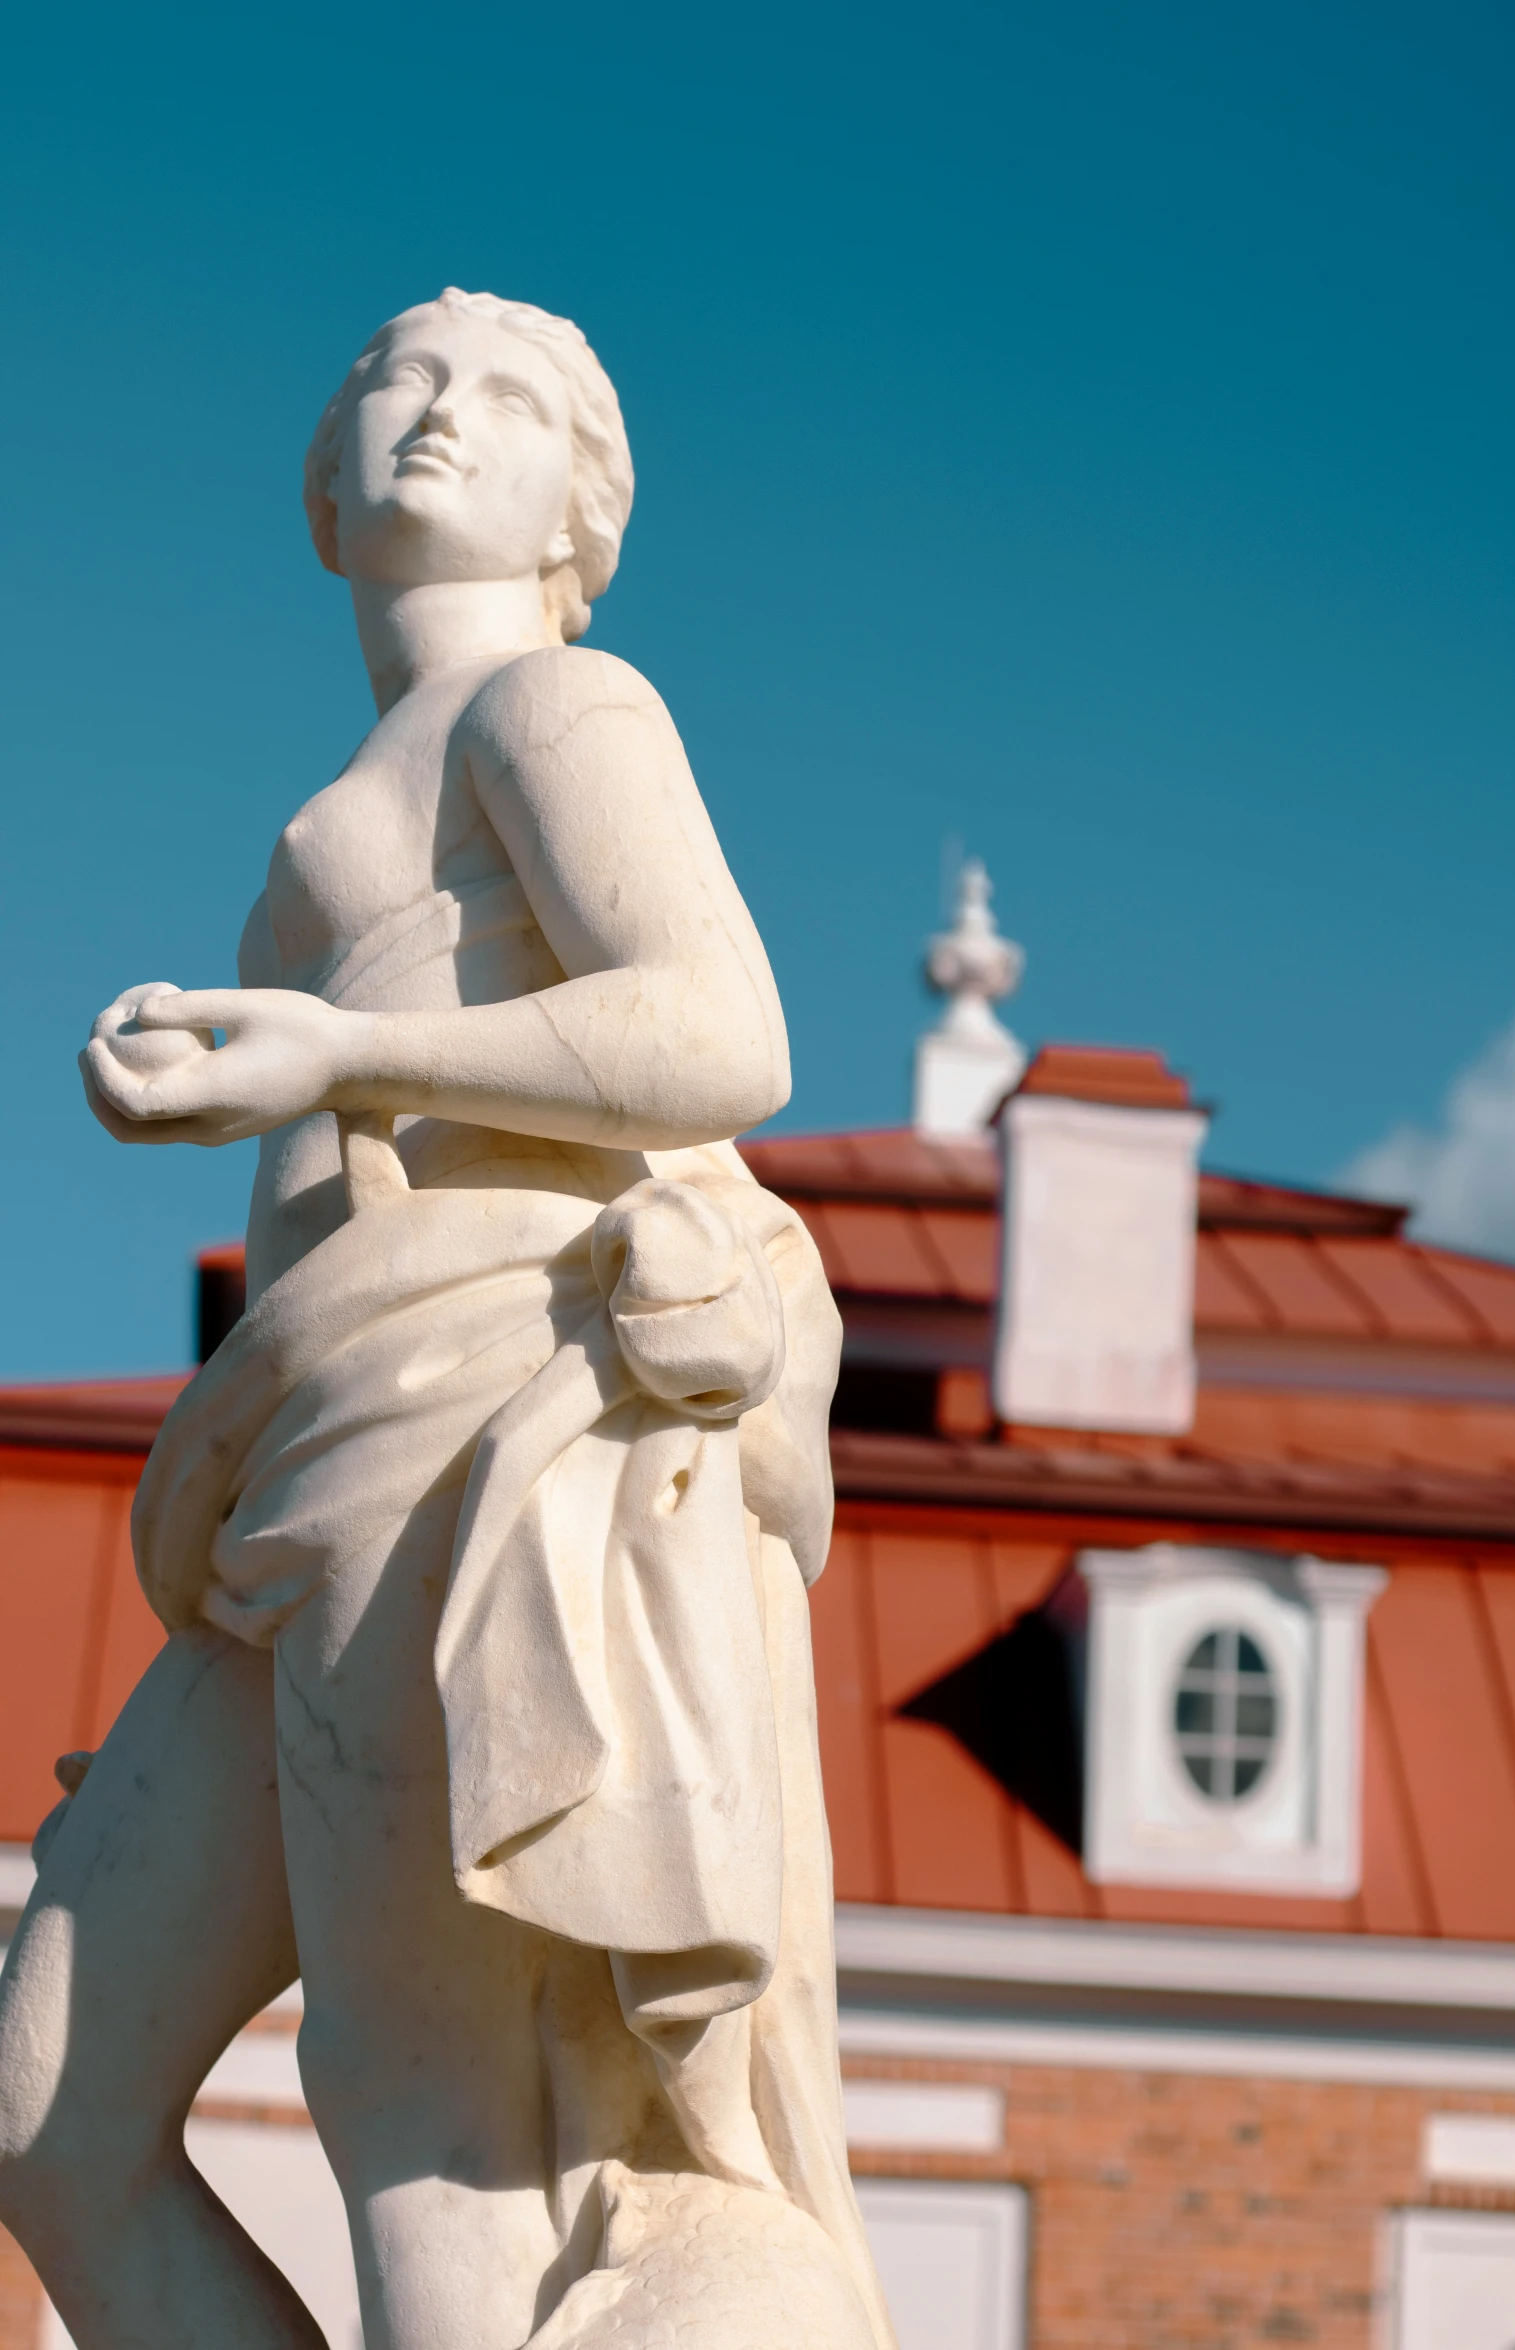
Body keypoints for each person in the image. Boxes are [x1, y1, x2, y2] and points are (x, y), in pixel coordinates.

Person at [0, 289, 892, 2350]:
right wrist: (302, 1055)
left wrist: (331, 1043)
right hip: (306, 1472)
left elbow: (720, 1029)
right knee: (53, 2100)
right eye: (399, 378)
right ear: (320, 484)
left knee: (432, 2133)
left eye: (507, 399)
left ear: (584, 508)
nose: (435, 414)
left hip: (493, 1420)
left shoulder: (555, 715)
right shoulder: (332, 819)